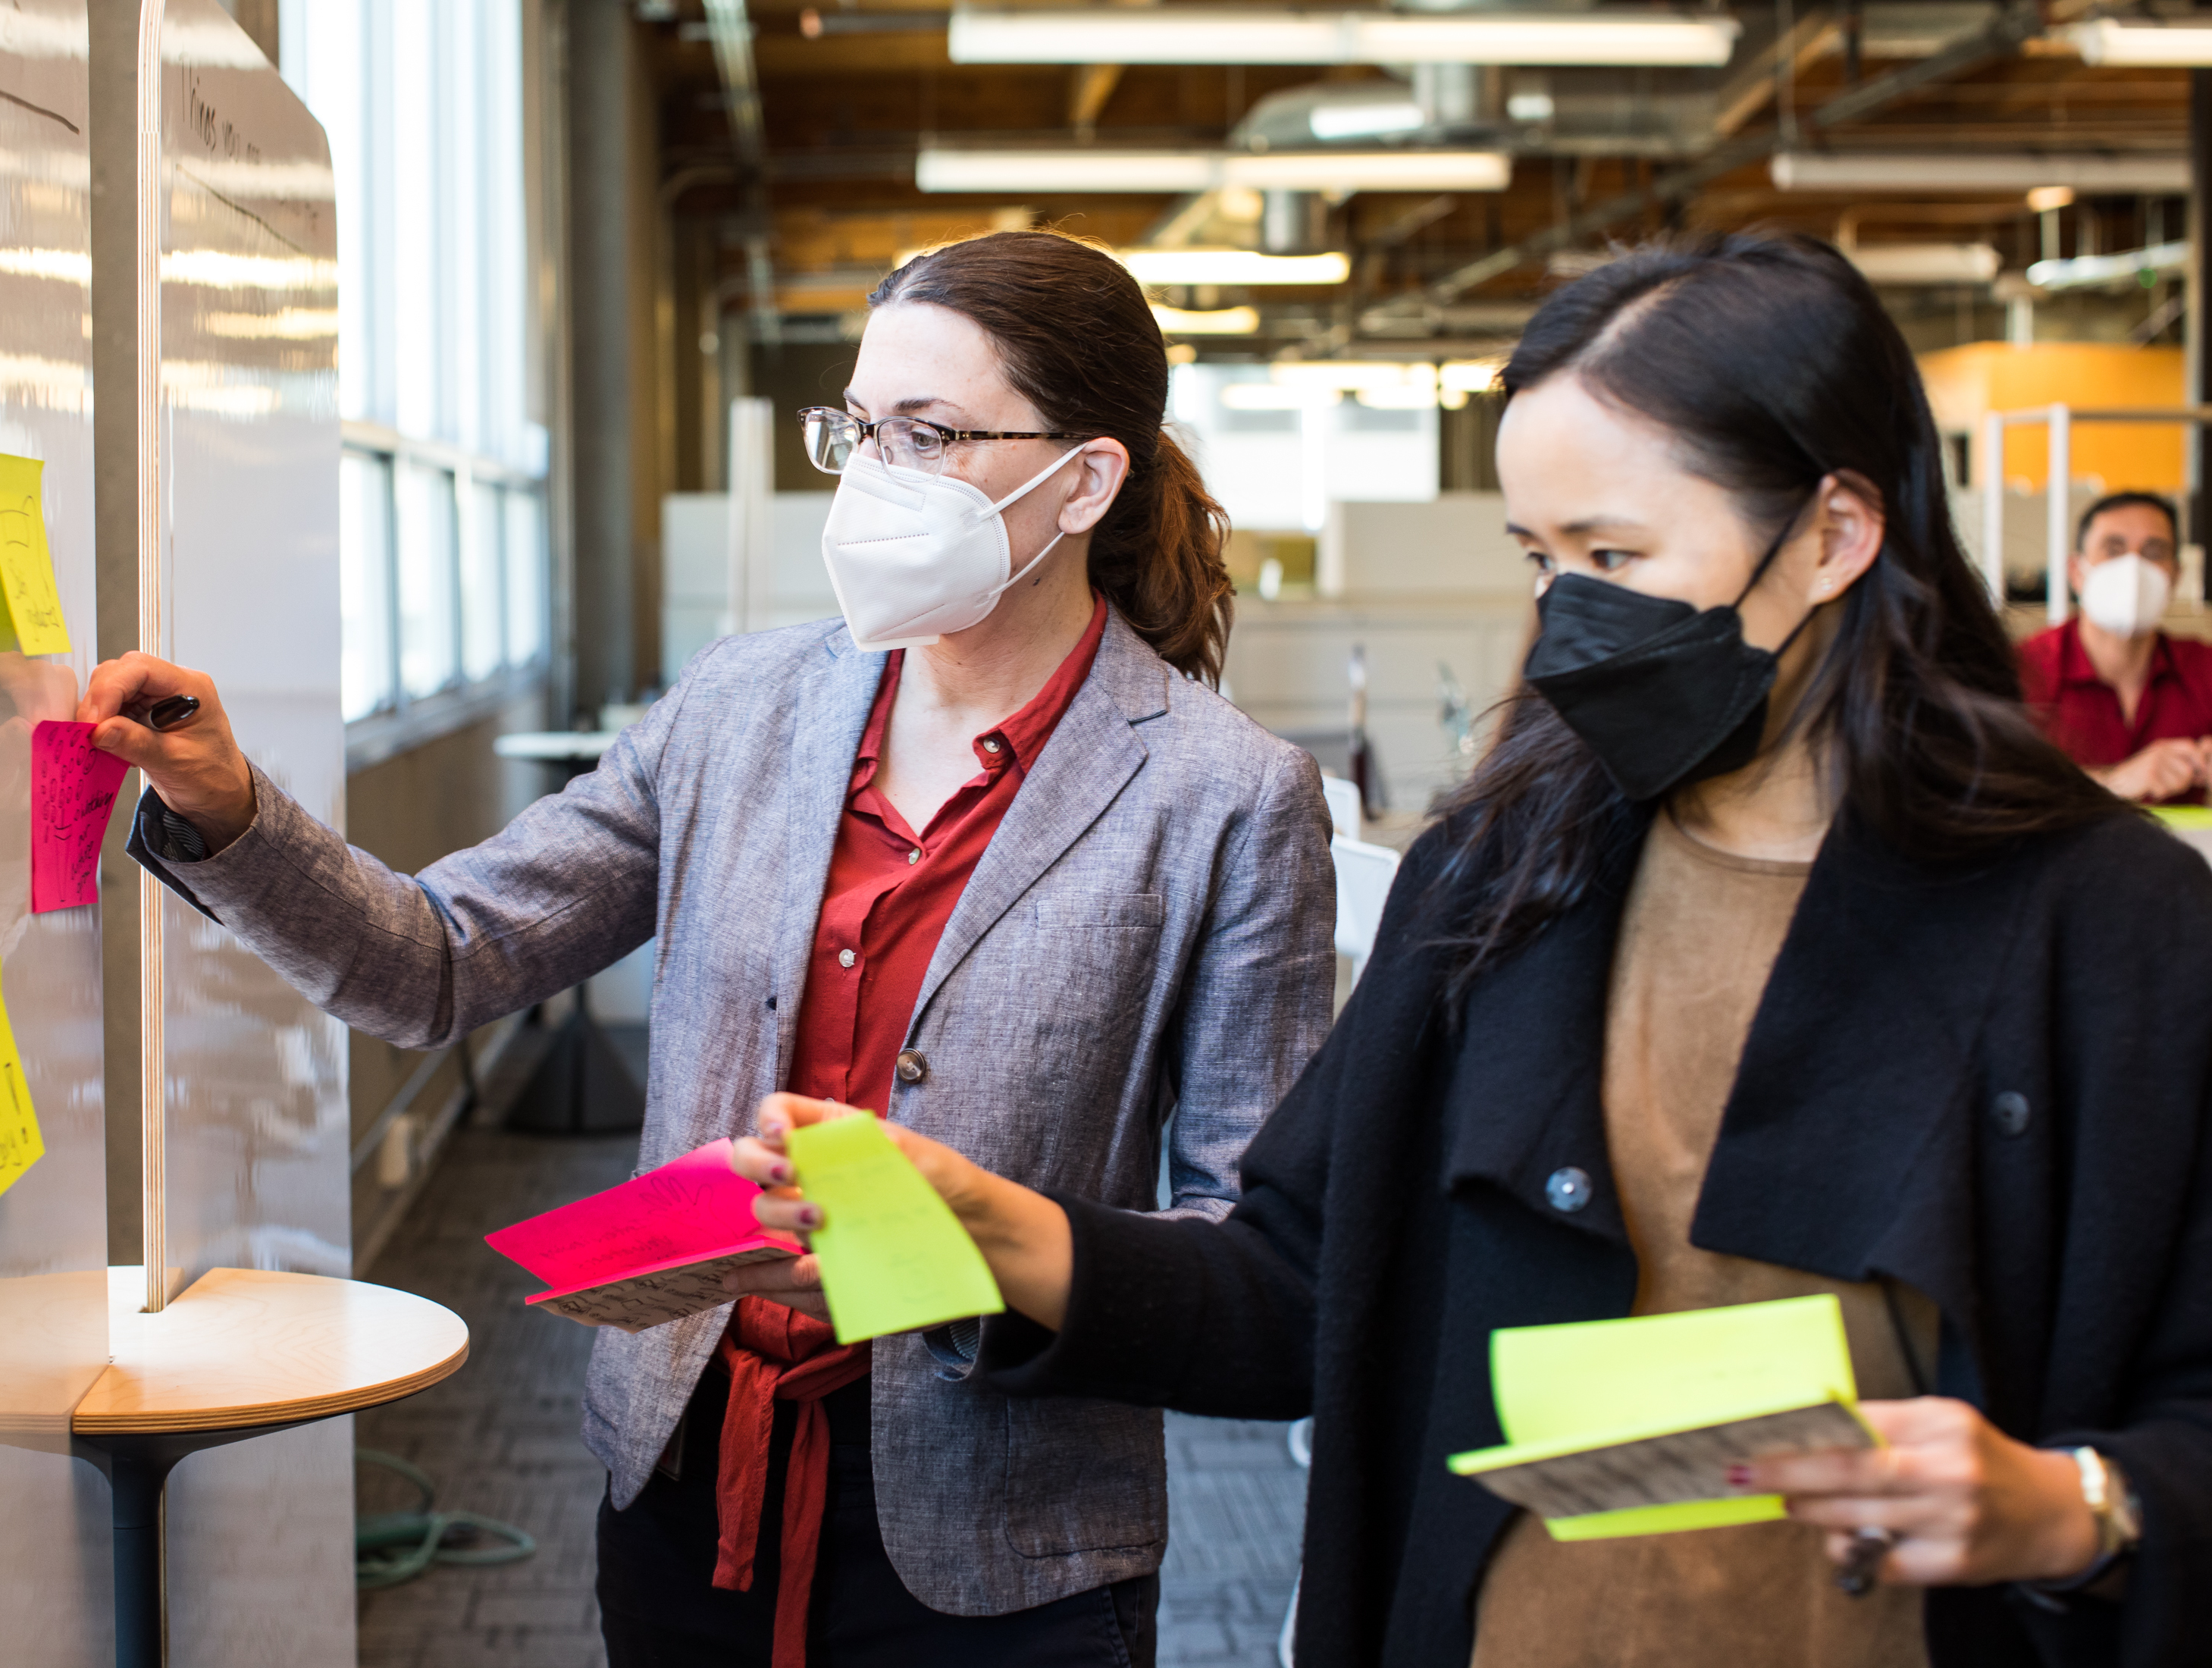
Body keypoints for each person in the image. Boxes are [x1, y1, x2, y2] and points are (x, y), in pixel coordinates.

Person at [740, 234, 2212, 1666]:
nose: (1566, 608)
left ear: (1834, 534)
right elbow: (1310, 1287)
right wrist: (993, 1232)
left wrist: (2084, 1504)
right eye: (1540, 552)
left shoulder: (2108, 930)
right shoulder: (1503, 880)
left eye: (1617, 551)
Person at [83, 229, 1335, 1668]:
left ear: (1087, 480)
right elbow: (437, 961)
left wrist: (974, 1252)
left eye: (927, 436)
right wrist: (228, 808)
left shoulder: (1226, 797)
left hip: (1006, 1546)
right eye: (857, 430)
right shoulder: (740, 708)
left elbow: (1255, 1278)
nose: (873, 479)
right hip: (687, 1488)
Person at [2019, 491, 2212, 804]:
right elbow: (1992, 783)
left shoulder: (2204, 667)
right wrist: (2115, 782)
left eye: (2154, 551)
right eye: (2113, 549)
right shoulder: (2022, 670)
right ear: (2076, 571)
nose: (2134, 568)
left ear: (2176, 575)